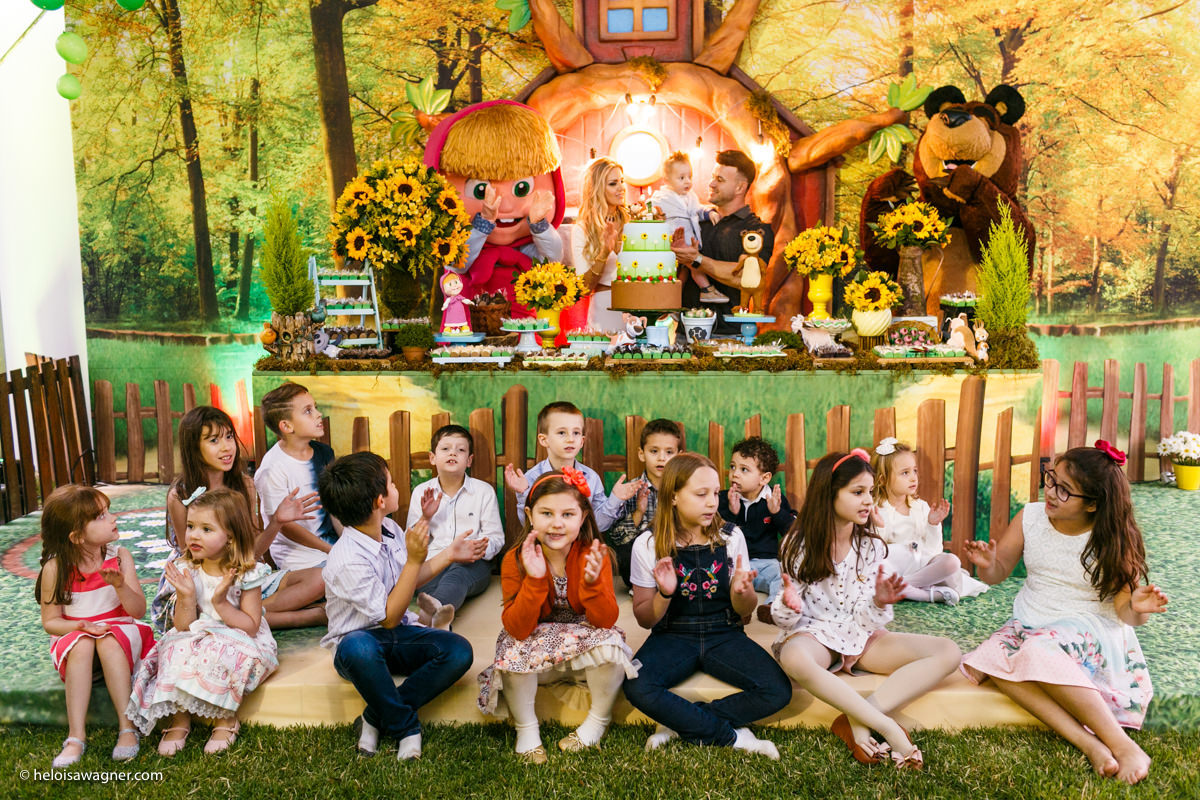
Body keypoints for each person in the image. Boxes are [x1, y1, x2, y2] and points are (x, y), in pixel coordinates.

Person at [962, 442, 1168, 785]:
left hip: (1089, 629)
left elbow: (1124, 613)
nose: (1051, 493)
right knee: (992, 659)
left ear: (1092, 504)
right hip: (1031, 622)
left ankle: (1123, 745)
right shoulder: (1030, 517)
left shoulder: (1111, 539)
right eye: (1051, 479)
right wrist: (987, 566)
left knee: (1034, 652)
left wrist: (1137, 609)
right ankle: (1090, 744)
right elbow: (998, 573)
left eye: (1064, 490)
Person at [771, 450, 961, 771]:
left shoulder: (871, 546)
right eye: (858, 492)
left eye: (870, 492)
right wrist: (787, 606)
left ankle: (857, 718)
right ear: (829, 493)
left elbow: (866, 619)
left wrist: (879, 603)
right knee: (793, 657)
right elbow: (784, 618)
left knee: (949, 651)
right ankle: (886, 726)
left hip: (861, 635)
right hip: (815, 635)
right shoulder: (797, 544)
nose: (868, 501)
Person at [621, 453, 791, 757]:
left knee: (778, 689)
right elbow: (645, 619)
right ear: (673, 496)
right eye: (701, 495)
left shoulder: (731, 537)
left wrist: (741, 592)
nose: (713, 503)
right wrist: (664, 594)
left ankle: (680, 722)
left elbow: (744, 612)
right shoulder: (647, 544)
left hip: (724, 633)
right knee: (636, 685)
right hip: (671, 636)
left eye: (715, 493)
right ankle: (734, 738)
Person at [319, 452, 479, 760]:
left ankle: (374, 717)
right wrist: (415, 558)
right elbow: (389, 618)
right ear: (379, 501)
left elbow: (408, 581)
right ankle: (406, 728)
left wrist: (449, 554)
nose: (396, 488)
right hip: (360, 649)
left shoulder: (390, 529)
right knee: (357, 646)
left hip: (399, 637)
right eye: (391, 484)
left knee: (459, 651)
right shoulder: (347, 560)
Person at [478, 469, 638, 763]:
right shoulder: (516, 559)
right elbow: (518, 628)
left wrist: (592, 585)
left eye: (567, 514)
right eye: (546, 513)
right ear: (529, 515)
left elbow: (604, 620)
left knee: (611, 643)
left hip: (582, 654)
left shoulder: (593, 555)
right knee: (511, 643)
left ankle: (597, 722)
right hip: (536, 657)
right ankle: (526, 729)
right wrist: (535, 580)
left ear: (583, 517)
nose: (556, 523)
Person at [128, 488, 279, 756]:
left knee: (221, 651)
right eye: (190, 526)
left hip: (240, 636)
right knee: (175, 647)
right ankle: (179, 718)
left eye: (206, 529)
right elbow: (183, 626)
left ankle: (225, 717)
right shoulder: (188, 568)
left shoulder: (246, 572)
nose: (194, 535)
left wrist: (221, 603)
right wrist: (186, 596)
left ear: (230, 536)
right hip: (198, 631)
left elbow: (251, 626)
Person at [150, 406, 325, 633]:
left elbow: (250, 551)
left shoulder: (244, 485)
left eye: (229, 437)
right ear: (194, 447)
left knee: (321, 578)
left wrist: (277, 522)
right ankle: (298, 617)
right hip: (200, 578)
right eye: (214, 440)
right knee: (198, 616)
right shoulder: (180, 494)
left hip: (240, 572)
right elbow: (192, 559)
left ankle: (242, 614)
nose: (226, 447)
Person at [37, 485, 155, 767]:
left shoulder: (120, 556)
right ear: (77, 536)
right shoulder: (55, 568)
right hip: (79, 641)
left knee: (109, 639)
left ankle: (127, 728)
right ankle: (75, 736)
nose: (113, 518)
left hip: (120, 636)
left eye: (108, 511)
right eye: (101, 516)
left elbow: (138, 611)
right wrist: (81, 626)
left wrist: (121, 586)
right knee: (84, 643)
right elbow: (51, 622)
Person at [406, 424, 504, 629]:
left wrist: (475, 549)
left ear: (469, 460)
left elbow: (496, 537)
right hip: (433, 562)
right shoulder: (422, 492)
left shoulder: (483, 492)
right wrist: (425, 517)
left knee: (458, 575)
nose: (453, 453)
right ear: (432, 458)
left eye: (460, 450)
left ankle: (435, 609)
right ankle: (437, 618)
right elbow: (412, 543)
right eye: (445, 449)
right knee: (426, 580)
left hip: (471, 564)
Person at [870, 437, 985, 605]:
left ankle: (903, 586)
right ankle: (925, 594)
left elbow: (933, 551)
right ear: (882, 480)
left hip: (921, 568)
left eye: (915, 471)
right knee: (876, 568)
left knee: (952, 562)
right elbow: (875, 552)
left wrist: (933, 524)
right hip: (895, 567)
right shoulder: (877, 509)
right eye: (905, 473)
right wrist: (879, 526)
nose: (913, 478)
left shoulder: (921, 507)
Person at [669, 150, 775, 332]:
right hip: (685, 333)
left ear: (740, 188)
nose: (711, 183)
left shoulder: (756, 230)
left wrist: (697, 259)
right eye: (713, 177)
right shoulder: (695, 222)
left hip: (730, 336)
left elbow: (748, 277)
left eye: (720, 180)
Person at [504, 401, 636, 532]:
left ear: (582, 441)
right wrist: (523, 493)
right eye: (562, 433)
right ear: (544, 440)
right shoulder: (532, 478)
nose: (570, 439)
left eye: (576, 433)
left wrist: (615, 499)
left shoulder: (591, 478)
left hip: (582, 543)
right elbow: (528, 523)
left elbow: (599, 526)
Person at [254, 383, 338, 572]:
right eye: (308, 411)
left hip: (331, 545)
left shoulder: (325, 453)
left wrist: (344, 545)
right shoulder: (271, 469)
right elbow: (286, 526)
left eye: (315, 407)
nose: (318, 414)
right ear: (286, 426)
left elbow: (335, 507)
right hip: (298, 555)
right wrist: (329, 550)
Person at [718, 436, 796, 620]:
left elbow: (791, 532)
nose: (735, 474)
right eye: (733, 467)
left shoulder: (773, 500)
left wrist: (777, 513)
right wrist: (731, 513)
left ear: (764, 478)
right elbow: (718, 535)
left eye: (744, 469)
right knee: (721, 579)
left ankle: (771, 607)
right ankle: (740, 610)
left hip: (766, 563)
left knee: (782, 576)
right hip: (736, 564)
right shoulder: (724, 499)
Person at [606, 419, 683, 588]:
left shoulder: (684, 490)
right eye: (654, 451)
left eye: (669, 452)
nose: (662, 458)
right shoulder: (631, 490)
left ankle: (672, 585)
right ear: (642, 454)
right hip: (642, 561)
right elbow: (617, 538)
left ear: (679, 455)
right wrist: (639, 513)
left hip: (676, 555)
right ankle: (643, 586)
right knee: (627, 551)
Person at [649, 151, 726, 304]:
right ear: (667, 180)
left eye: (690, 177)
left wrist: (709, 212)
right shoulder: (661, 198)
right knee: (693, 265)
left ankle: (675, 301)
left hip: (690, 239)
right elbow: (652, 210)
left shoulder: (691, 196)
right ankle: (706, 289)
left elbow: (697, 209)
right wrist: (656, 216)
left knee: (686, 271)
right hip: (674, 239)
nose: (687, 182)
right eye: (682, 178)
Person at [571, 157, 631, 331]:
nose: (621, 188)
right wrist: (604, 253)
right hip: (605, 308)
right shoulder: (582, 229)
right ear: (596, 189)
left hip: (637, 306)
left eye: (622, 181)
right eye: (613, 183)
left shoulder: (633, 222)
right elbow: (584, 287)